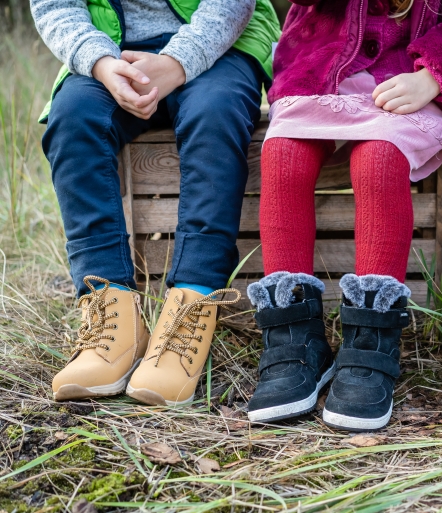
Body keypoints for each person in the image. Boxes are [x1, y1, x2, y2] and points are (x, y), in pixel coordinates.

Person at [244, 0, 442, 430]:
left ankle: (371, 343)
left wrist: (435, 75)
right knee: (283, 155)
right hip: (322, 73)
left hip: (415, 82)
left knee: (379, 158)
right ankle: (294, 338)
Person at [34, 0, 280, 405]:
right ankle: (110, 313)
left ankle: (191, 306)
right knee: (74, 120)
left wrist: (177, 62)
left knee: (214, 116)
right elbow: (55, 6)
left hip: (219, 43)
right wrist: (99, 62)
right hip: (111, 54)